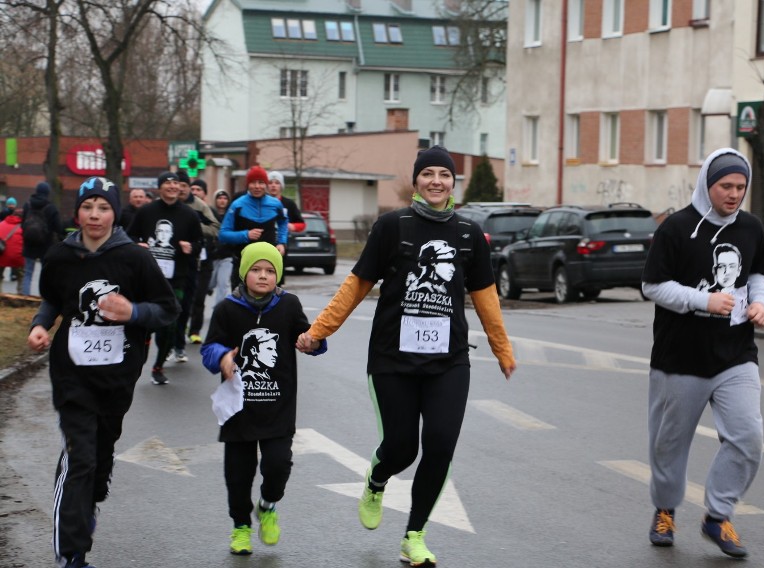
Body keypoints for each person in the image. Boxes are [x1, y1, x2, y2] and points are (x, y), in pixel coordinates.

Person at [295, 145, 516, 567]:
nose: (436, 181)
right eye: (428, 173)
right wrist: (317, 331)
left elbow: (486, 297)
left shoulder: (469, 235)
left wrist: (502, 349)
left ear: (454, 182)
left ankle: (414, 535)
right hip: (392, 359)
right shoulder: (392, 227)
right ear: (415, 181)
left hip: (448, 361)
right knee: (400, 448)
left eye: (445, 175)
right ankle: (377, 479)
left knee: (439, 445)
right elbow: (356, 286)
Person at [27, 176, 179, 568]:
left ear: (114, 212)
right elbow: (52, 300)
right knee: (80, 458)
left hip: (117, 378)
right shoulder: (61, 256)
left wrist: (134, 313)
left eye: (103, 207)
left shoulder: (135, 259)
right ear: (77, 211)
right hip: (71, 375)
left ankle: (85, 508)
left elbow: (166, 309)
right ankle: (70, 553)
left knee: (101, 457)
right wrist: (40, 325)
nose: (95, 215)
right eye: (88, 206)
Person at [642, 148, 764, 559]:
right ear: (707, 185)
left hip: (736, 355)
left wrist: (762, 303)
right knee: (669, 445)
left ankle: (718, 514)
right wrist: (703, 300)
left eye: (740, 187)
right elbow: (653, 286)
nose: (734, 195)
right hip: (680, 358)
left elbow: (757, 275)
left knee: (748, 437)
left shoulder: (750, 228)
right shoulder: (676, 229)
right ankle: (665, 509)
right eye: (725, 186)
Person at [200, 242, 326, 556]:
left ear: (277, 275)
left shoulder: (288, 305)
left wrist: (312, 342)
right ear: (244, 274)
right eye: (256, 269)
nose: (263, 276)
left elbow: (311, 338)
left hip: (278, 408)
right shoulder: (227, 308)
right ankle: (241, 526)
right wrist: (222, 359)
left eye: (270, 271)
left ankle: (268, 506)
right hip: (239, 409)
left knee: (278, 464)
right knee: (238, 476)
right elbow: (209, 348)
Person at [126, 171, 203, 385]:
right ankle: (140, 356)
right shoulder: (146, 212)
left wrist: (192, 247)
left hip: (176, 278)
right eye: (167, 183)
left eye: (175, 183)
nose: (171, 186)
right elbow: (129, 235)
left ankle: (158, 366)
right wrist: (137, 244)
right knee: (145, 323)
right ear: (160, 188)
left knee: (169, 324)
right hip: (148, 278)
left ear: (180, 188)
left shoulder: (189, 214)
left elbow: (200, 243)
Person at [172, 172, 220, 358]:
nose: (181, 189)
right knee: (169, 304)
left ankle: (186, 337)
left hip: (193, 261)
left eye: (184, 185)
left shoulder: (200, 207)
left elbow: (215, 228)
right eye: (178, 185)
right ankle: (169, 342)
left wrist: (191, 226)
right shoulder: (166, 206)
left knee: (189, 302)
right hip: (167, 263)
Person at [218, 166, 288, 290]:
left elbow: (283, 222)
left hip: (269, 265)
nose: (257, 186)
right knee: (241, 306)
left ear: (265, 184)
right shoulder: (237, 205)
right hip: (243, 264)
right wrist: (245, 235)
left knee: (269, 306)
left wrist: (282, 242)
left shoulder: (275, 204)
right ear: (247, 184)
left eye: (261, 182)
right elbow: (223, 234)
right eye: (253, 182)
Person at [187, 178, 220, 344]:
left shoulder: (208, 211)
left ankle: (195, 331)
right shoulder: (182, 209)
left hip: (205, 262)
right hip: (187, 261)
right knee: (187, 297)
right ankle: (183, 323)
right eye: (192, 189)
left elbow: (216, 230)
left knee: (199, 298)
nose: (194, 192)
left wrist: (196, 226)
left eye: (198, 189)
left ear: (205, 194)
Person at [21, 181, 63, 295]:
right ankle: (42, 298)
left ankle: (25, 298)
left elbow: (22, 223)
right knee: (44, 274)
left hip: (29, 243)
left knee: (28, 272)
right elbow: (58, 227)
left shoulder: (27, 205)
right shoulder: (51, 208)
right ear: (47, 193)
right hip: (45, 245)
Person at [210, 190, 234, 304]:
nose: (222, 200)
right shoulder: (210, 214)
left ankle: (218, 309)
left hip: (227, 256)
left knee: (223, 284)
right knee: (210, 283)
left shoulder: (231, 215)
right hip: (213, 256)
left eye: (225, 198)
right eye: (220, 198)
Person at [0, 207, 24, 292]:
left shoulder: (1, 224)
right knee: (22, 275)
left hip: (1, 255)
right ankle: (20, 292)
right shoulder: (23, 227)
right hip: (17, 258)